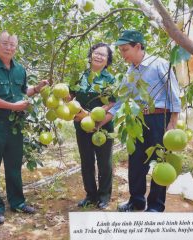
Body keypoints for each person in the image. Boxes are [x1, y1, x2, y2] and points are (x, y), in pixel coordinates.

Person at [100, 30, 181, 212]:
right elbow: (121, 100)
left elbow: (174, 94)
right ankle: (136, 201)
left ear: (138, 47)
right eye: (120, 50)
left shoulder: (159, 64)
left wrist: (173, 122)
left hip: (159, 118)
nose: (122, 54)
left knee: (160, 161)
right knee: (136, 162)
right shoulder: (129, 71)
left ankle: (155, 205)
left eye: (125, 49)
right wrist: (103, 120)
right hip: (136, 120)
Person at [0, 31, 48, 224]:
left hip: (15, 125)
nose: (9, 48)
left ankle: (17, 202)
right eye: (6, 44)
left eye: (13, 45)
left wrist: (37, 89)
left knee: (14, 165)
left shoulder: (20, 70)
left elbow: (23, 91)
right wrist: (12, 106)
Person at [71, 43, 116, 210]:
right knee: (87, 161)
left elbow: (113, 102)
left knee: (104, 162)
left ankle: (104, 196)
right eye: (96, 53)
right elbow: (70, 95)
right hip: (81, 124)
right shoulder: (80, 76)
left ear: (107, 61)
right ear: (91, 56)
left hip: (103, 125)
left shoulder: (110, 79)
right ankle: (90, 195)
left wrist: (95, 115)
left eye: (103, 55)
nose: (98, 56)